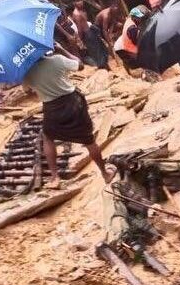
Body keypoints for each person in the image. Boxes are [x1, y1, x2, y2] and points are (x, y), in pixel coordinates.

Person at [22, 44, 118, 187]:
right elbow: (80, 65)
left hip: (51, 109)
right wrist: (62, 49)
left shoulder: (27, 73)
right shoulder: (57, 60)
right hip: (72, 104)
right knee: (88, 140)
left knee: (48, 137)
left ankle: (55, 177)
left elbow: (27, 91)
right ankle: (105, 173)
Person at [71, 0, 109, 69]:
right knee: (95, 52)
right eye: (78, 1)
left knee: (100, 48)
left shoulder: (82, 11)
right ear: (74, 3)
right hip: (87, 34)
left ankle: (106, 66)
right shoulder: (76, 14)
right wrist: (81, 39)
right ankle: (103, 67)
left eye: (81, 0)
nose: (81, 2)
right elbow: (79, 28)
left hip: (90, 31)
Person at [113, 5, 150, 71]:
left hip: (120, 44)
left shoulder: (130, 20)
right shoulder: (132, 28)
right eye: (140, 17)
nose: (141, 19)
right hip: (122, 48)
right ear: (135, 17)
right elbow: (137, 43)